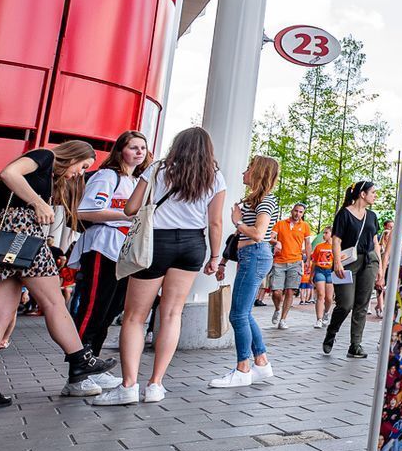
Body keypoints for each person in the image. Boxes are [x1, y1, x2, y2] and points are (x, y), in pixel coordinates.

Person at [0, 140, 117, 410]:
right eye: (82, 166)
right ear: (73, 156)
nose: (78, 173)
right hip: (23, 235)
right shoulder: (44, 156)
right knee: (54, 302)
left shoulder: (47, 175)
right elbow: (9, 172)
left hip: (3, 240)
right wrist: (39, 202)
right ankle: (80, 358)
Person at [93, 126, 227, 405]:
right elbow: (215, 222)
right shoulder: (214, 176)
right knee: (171, 314)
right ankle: (155, 385)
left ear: (177, 146)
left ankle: (129, 385)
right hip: (193, 244)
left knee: (134, 317)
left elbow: (130, 209)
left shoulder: (157, 169)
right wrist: (215, 257)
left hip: (156, 242)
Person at [66, 130, 148, 394]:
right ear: (120, 150)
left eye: (143, 148)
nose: (139, 152)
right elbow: (86, 210)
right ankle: (77, 374)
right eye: (133, 147)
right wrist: (126, 217)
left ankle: (93, 365)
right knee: (92, 309)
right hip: (103, 247)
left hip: (124, 253)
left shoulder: (137, 182)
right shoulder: (107, 176)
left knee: (109, 311)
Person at [212, 155, 282, 389]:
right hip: (251, 255)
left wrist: (237, 222)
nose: (245, 171)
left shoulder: (266, 201)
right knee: (244, 312)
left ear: (259, 172)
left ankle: (243, 368)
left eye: (249, 167)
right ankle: (261, 363)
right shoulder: (256, 200)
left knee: (238, 315)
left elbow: (259, 233)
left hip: (255, 254)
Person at [326, 182, 380, 358]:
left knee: (362, 304)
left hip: (369, 262)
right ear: (362, 194)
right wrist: (337, 263)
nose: (375, 196)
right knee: (345, 304)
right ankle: (332, 331)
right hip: (348, 262)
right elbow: (336, 240)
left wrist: (379, 266)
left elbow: (376, 242)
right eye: (373, 192)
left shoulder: (372, 216)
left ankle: (355, 345)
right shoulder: (344, 214)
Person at [271, 202, 311, 328]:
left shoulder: (305, 226)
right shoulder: (280, 224)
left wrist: (308, 259)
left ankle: (283, 319)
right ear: (292, 210)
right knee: (276, 292)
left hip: (296, 262)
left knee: (290, 291)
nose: (297, 214)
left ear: (302, 214)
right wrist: (276, 242)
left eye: (300, 212)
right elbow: (270, 237)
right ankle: (278, 308)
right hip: (279, 261)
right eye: (296, 211)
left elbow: (308, 244)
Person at [310, 225, 337, 324]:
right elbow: (314, 261)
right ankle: (319, 319)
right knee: (320, 294)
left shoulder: (336, 246)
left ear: (332, 234)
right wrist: (311, 275)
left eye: (326, 233)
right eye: (324, 233)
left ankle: (326, 312)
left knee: (329, 298)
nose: (324, 235)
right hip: (319, 270)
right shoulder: (319, 246)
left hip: (330, 272)